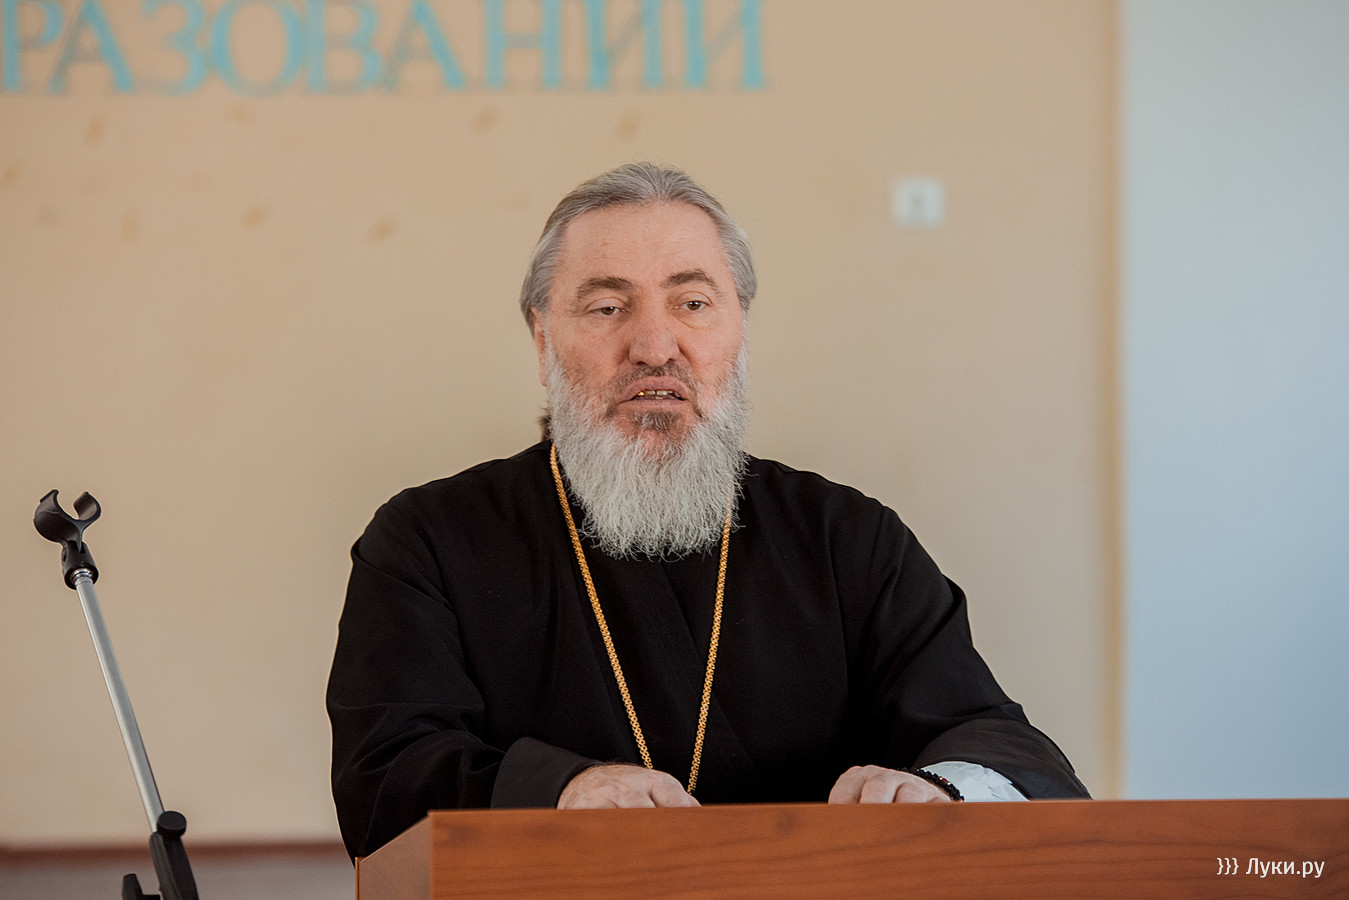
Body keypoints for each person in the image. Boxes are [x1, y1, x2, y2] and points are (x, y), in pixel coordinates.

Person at [327, 162, 1089, 860]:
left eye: (692, 303)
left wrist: (938, 791)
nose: (654, 346)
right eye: (606, 306)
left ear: (738, 331)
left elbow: (994, 740)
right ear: (541, 339)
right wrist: (559, 792)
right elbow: (385, 775)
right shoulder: (426, 544)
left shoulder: (846, 541)